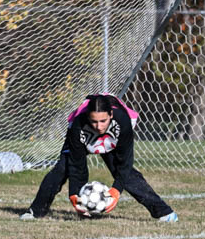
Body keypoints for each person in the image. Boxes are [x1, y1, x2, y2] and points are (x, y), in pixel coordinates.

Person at [20, 93, 178, 222]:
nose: (99, 126)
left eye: (103, 121)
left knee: (128, 175)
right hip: (83, 142)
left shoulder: (123, 122)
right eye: (94, 121)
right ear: (87, 117)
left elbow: (125, 162)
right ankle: (35, 212)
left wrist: (116, 190)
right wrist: (75, 194)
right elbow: (77, 164)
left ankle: (164, 213)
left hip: (111, 142)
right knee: (61, 169)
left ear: (111, 115)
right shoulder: (78, 126)